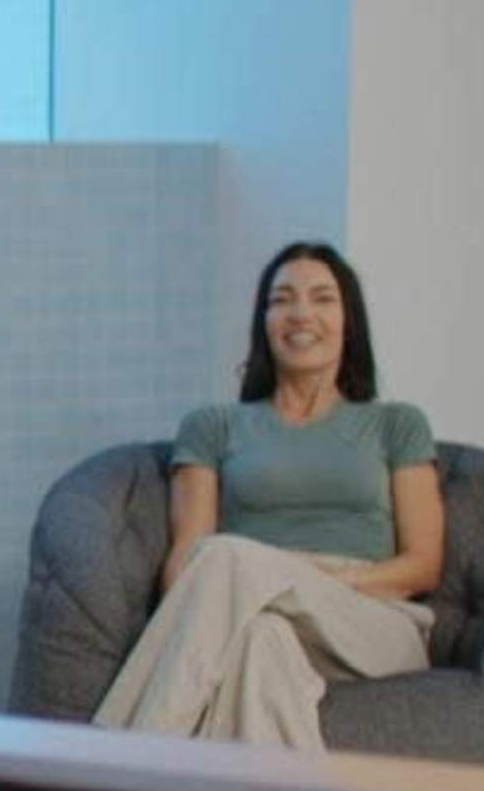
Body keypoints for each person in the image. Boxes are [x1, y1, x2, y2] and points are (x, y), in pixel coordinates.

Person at [91, 243, 444, 749]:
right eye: (282, 299)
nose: (301, 313)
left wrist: (316, 579)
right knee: (259, 642)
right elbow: (183, 561)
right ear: (264, 321)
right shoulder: (213, 426)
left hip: (368, 619)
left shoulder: (396, 425)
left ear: (349, 321)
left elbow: (424, 565)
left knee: (226, 557)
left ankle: (126, 757)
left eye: (323, 298)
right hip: (246, 604)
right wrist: (256, 586)